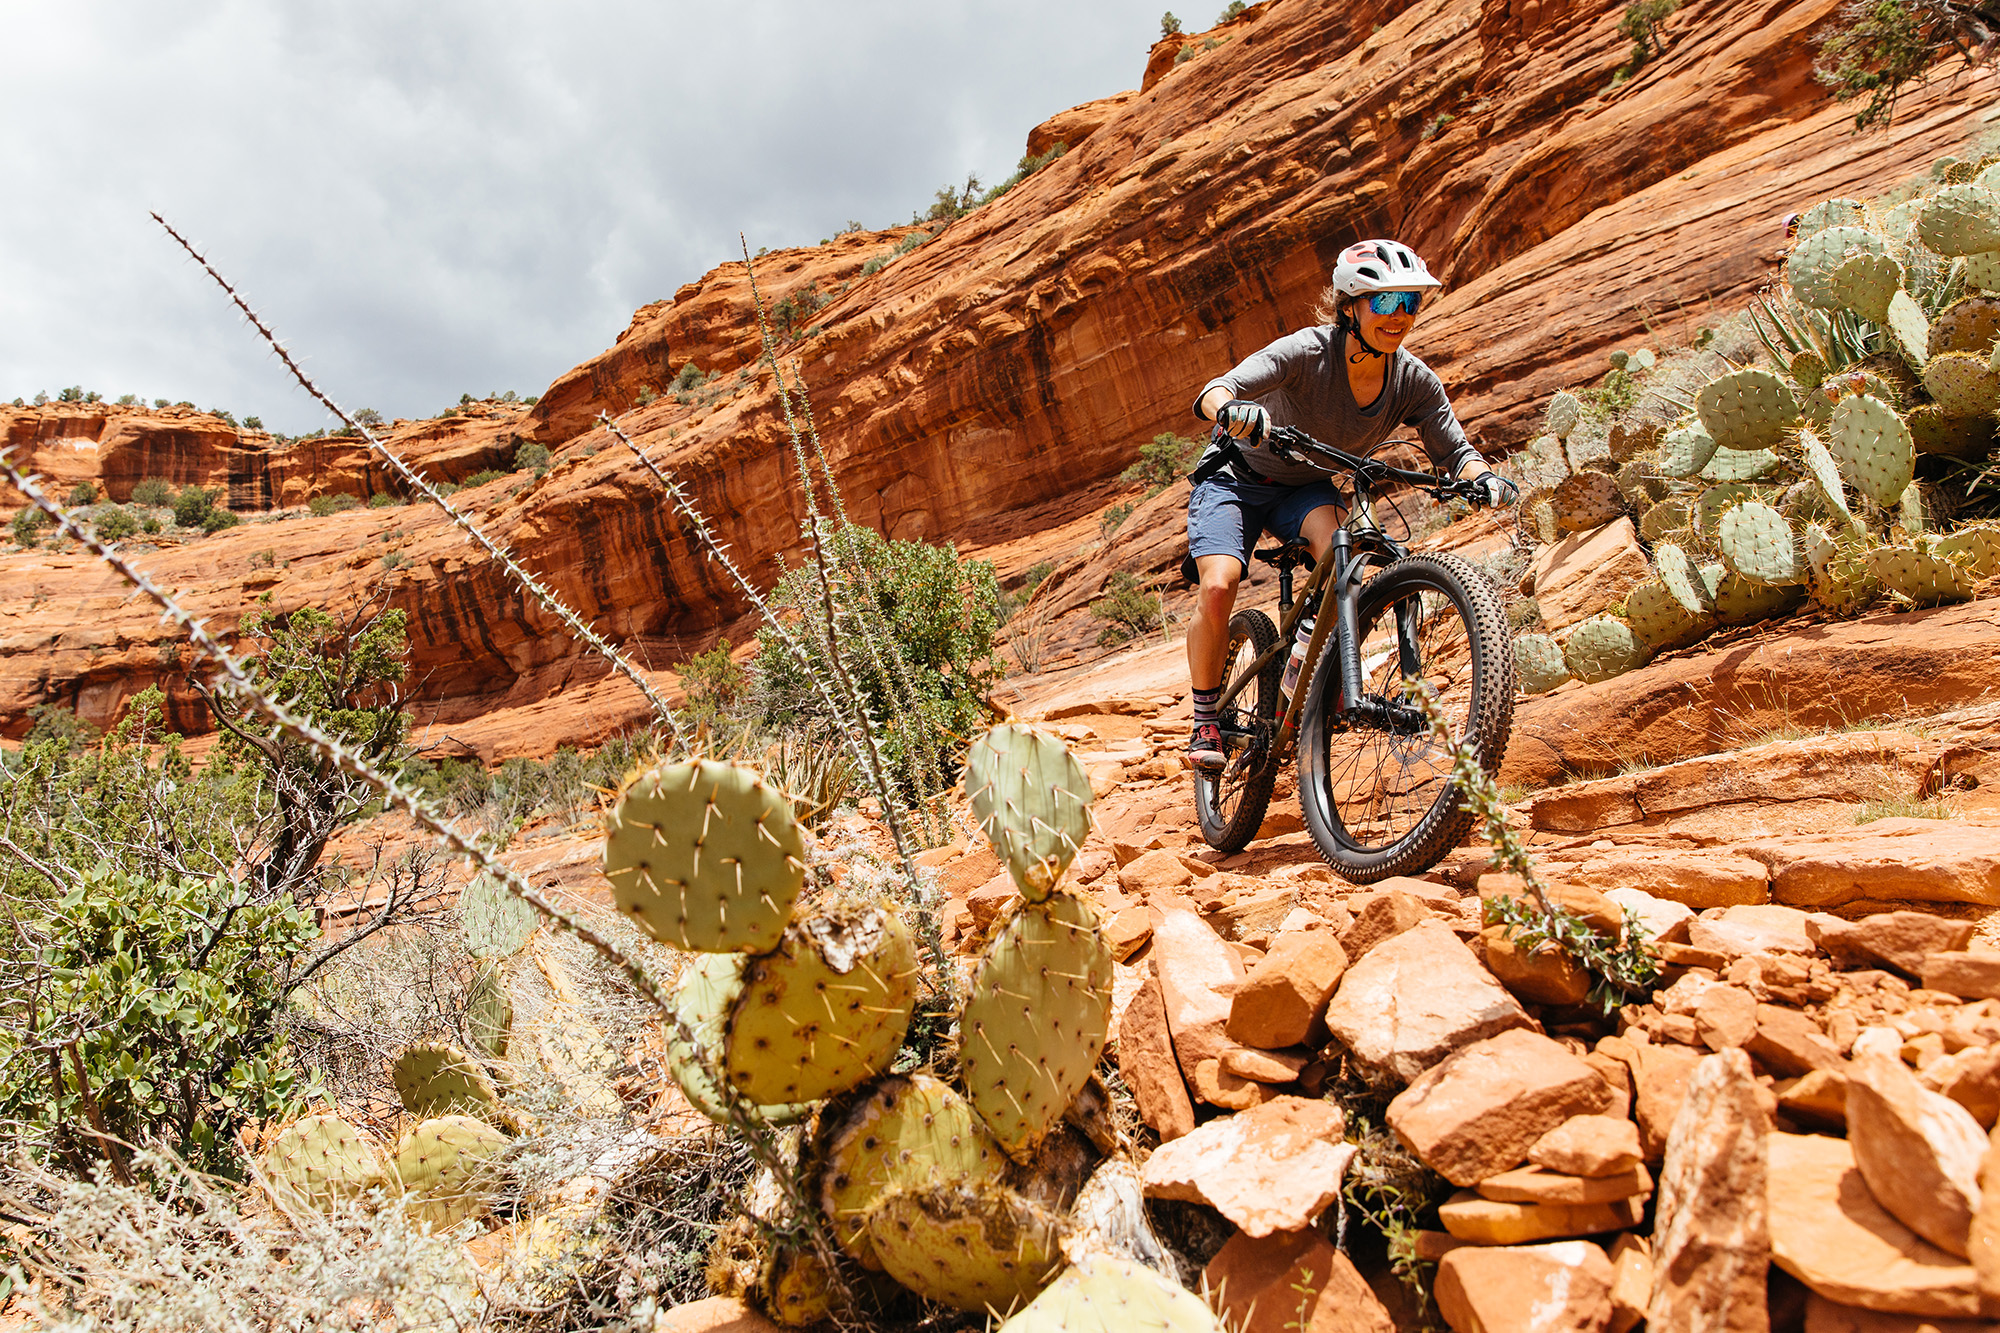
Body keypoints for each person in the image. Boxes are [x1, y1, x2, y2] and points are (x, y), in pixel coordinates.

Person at [1183, 238, 1516, 770]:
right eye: (1385, 301)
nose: (1399, 315)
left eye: (1410, 302)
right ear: (1349, 306)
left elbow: (1455, 451)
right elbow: (1216, 390)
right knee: (1220, 584)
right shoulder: (1306, 352)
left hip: (1307, 487)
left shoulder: (1413, 381)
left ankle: (1312, 661)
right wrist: (1234, 411)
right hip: (1236, 479)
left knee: (1351, 556)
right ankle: (1205, 718)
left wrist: (1484, 479)